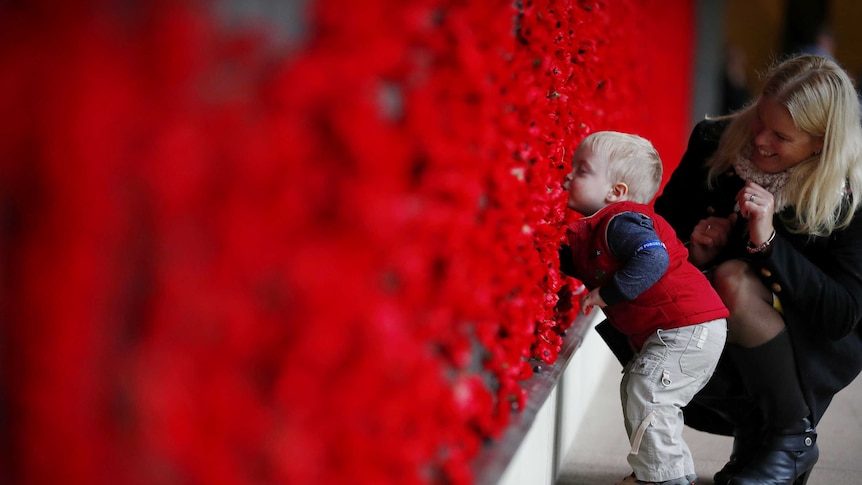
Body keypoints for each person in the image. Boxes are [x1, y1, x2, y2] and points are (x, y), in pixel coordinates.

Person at [597, 54, 862, 485]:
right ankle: (764, 440)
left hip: (811, 338)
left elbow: (842, 316)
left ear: (821, 143)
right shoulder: (714, 141)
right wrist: (695, 252)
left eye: (781, 136)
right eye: (760, 119)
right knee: (711, 279)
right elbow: (657, 239)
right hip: (709, 328)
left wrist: (769, 242)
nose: (759, 139)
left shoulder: (848, 191)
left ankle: (789, 438)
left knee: (734, 279)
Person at [561, 131, 729, 485]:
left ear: (616, 192)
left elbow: (653, 257)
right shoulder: (603, 227)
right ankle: (668, 473)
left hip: (688, 328)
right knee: (643, 389)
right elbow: (578, 260)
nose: (566, 176)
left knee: (647, 390)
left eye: (582, 170)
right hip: (684, 328)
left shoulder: (622, 221)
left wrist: (608, 294)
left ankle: (662, 478)